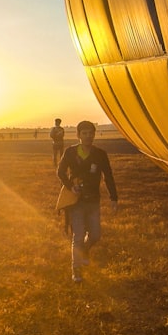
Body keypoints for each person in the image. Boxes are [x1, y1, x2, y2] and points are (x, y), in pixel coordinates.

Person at [56, 120, 118, 283]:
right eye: (84, 133)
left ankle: (84, 250)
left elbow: (108, 176)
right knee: (78, 235)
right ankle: (76, 269)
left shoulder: (100, 154)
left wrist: (114, 197)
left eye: (91, 133)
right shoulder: (70, 152)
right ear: (78, 135)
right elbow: (60, 172)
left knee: (96, 235)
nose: (88, 136)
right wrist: (70, 186)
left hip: (93, 201)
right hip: (76, 201)